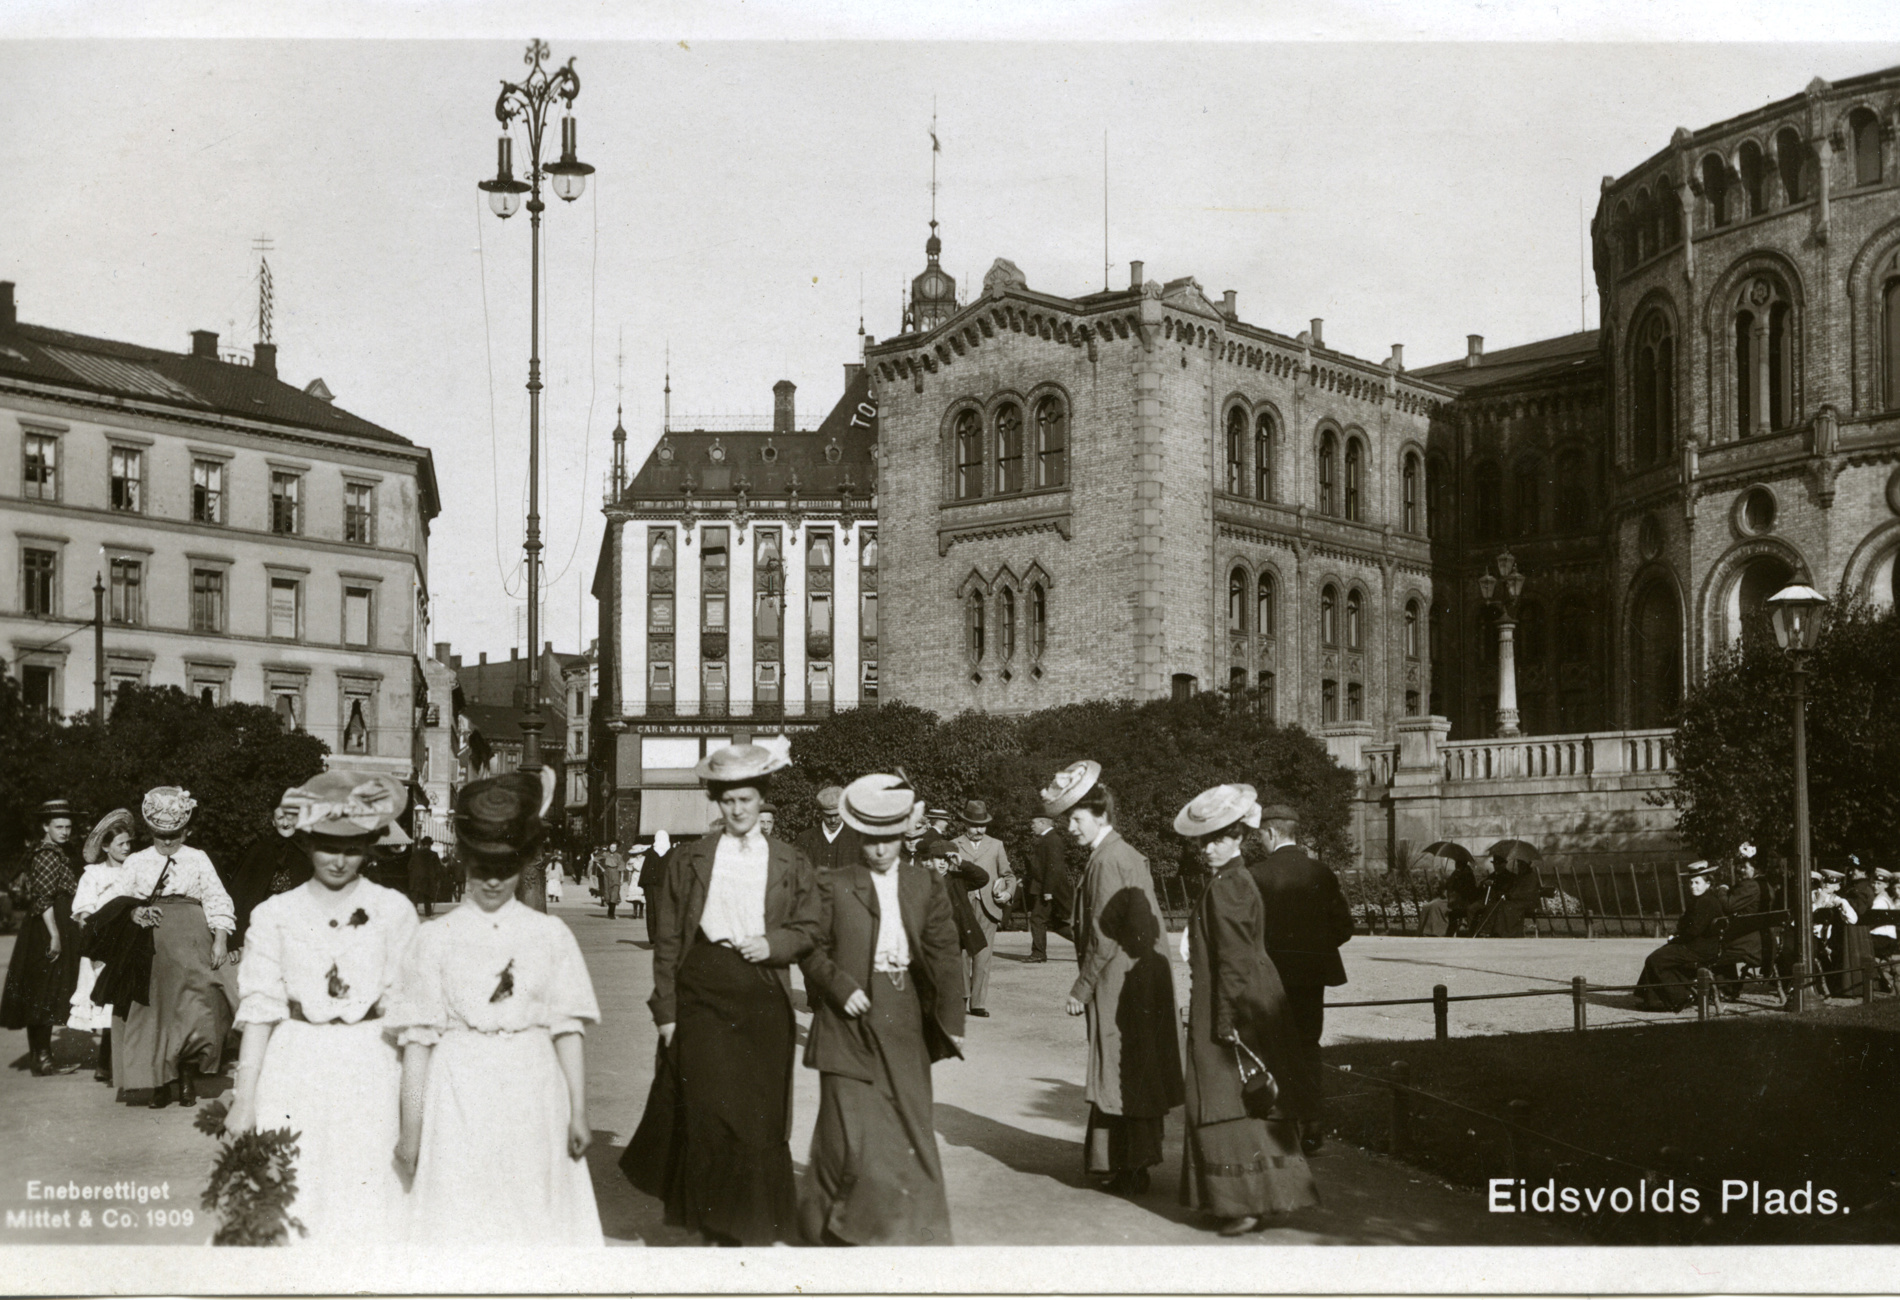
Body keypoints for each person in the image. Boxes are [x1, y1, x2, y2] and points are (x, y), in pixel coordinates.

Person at [391, 771, 601, 1245]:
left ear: (525, 863)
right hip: (459, 1088)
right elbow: (418, 1044)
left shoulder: (549, 936)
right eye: (481, 864)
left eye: (504, 867)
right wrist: (412, 1131)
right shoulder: (434, 938)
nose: (491, 879)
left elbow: (567, 1029)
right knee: (463, 1211)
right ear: (463, 859)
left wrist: (579, 1111)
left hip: (531, 1084)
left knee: (530, 1210)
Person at [636, 743, 822, 1245]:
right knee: (711, 1110)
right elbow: (668, 940)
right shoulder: (689, 859)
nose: (737, 810)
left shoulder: (790, 860)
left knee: (759, 1117)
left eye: (746, 799)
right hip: (703, 991)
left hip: (763, 993)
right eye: (727, 801)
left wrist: (774, 943)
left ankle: (755, 1222)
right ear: (716, 802)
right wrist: (667, 1012)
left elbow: (810, 928)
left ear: (763, 799)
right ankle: (716, 1223)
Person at [223, 772, 418, 1243]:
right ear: (307, 842)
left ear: (370, 846)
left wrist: (415, 1111)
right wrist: (244, 1100)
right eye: (328, 845)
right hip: (297, 1063)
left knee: (367, 1188)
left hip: (370, 1062)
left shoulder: (394, 910)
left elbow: (410, 1015)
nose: (339, 859)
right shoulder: (275, 913)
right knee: (296, 1187)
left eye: (352, 847)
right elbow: (260, 1009)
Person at [798, 773, 965, 1245]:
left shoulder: (925, 885)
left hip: (903, 1017)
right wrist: (838, 986)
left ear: (902, 835)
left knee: (910, 1125)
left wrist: (952, 1023)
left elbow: (945, 956)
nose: (879, 850)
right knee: (845, 1131)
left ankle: (919, 1232)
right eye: (870, 839)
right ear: (860, 836)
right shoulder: (832, 883)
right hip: (846, 1020)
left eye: (888, 839)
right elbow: (809, 946)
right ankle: (829, 1226)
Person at [1174, 785, 1320, 1234]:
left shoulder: (1231, 886)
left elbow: (1234, 962)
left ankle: (1242, 1201)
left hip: (1236, 1003)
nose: (1210, 847)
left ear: (1239, 836)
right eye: (1205, 840)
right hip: (1243, 998)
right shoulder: (1230, 880)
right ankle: (1248, 1196)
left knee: (1225, 1101)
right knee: (1242, 1100)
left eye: (1220, 838)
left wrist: (1225, 1021)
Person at [1043, 760, 1184, 1195]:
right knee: (1133, 1070)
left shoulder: (1108, 860)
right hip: (1134, 985)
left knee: (1120, 1071)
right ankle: (1127, 1163)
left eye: (1077, 818)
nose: (1071, 827)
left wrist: (1079, 989)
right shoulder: (1117, 853)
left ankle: (1129, 1167)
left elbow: (1104, 936)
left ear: (1100, 816)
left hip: (1121, 985)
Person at [107, 788, 236, 1108]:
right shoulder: (137, 861)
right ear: (151, 832)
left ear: (186, 830)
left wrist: (220, 938)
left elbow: (217, 898)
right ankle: (159, 1083)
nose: (167, 841)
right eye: (160, 834)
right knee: (154, 1012)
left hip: (193, 941)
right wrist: (136, 912)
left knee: (195, 1009)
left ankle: (188, 1077)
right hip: (149, 944)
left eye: (174, 834)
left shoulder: (198, 858)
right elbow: (119, 901)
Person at [1244, 801, 1353, 1154]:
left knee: (1271, 1047)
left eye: (1260, 834)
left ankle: (1280, 1125)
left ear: (1272, 832)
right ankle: (1311, 1125)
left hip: (1270, 977)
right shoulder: (1320, 873)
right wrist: (1313, 950)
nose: (1259, 840)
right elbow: (1344, 927)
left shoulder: (1256, 874)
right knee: (1307, 1047)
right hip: (1310, 977)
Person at [1, 799, 82, 1077]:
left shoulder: (53, 851)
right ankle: (43, 1059)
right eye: (58, 826)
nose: (64, 831)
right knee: (47, 988)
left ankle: (41, 1058)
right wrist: (55, 935)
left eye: (68, 826)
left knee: (40, 989)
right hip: (49, 924)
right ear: (45, 826)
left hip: (48, 924)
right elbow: (43, 899)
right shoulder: (48, 854)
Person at [69, 808, 137, 1084]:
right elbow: (84, 913)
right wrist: (99, 938)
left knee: (125, 1002)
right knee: (106, 1001)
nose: (126, 848)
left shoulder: (135, 870)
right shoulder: (93, 874)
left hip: (130, 943)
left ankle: (119, 1063)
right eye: (120, 844)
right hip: (103, 946)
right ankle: (106, 1063)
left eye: (128, 843)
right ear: (106, 847)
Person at [1635, 862, 1725, 1012]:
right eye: (1690, 882)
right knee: (1660, 955)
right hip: (1698, 946)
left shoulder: (1706, 902)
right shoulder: (1701, 900)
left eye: (1697, 882)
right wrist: (1679, 935)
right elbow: (1686, 925)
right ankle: (1653, 1000)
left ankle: (1680, 997)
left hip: (1698, 949)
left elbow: (1693, 930)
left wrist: (1675, 939)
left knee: (1655, 959)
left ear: (1708, 884)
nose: (1693, 886)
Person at [953, 801, 1012, 1018]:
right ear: (965, 824)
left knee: (983, 955)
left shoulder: (996, 845)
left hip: (989, 907)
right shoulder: (953, 844)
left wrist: (1007, 892)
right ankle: (961, 998)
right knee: (960, 954)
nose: (980, 830)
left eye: (983, 825)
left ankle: (977, 1003)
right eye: (975, 825)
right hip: (961, 907)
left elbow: (1008, 875)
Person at [222, 801, 308, 950]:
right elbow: (240, 895)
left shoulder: (309, 853)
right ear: (273, 822)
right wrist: (235, 942)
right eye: (280, 818)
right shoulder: (259, 851)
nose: (286, 823)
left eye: (290, 818)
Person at [1024, 813, 1073, 962]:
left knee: (1037, 919)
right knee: (1057, 923)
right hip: (1046, 888)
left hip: (1048, 889)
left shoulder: (1052, 840)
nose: (1031, 827)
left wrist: (1048, 891)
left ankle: (1038, 954)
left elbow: (1054, 868)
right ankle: (1090, 944)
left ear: (1042, 822)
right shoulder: (1048, 839)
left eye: (1033, 824)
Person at [794, 786, 861, 874]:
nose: (833, 821)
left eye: (837, 815)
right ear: (820, 813)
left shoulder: (857, 838)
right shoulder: (805, 839)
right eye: (828, 816)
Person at [1419, 858, 1480, 937]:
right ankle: (1423, 931)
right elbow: (1448, 886)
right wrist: (1444, 882)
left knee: (1435, 906)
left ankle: (1435, 932)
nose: (1456, 865)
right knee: (1427, 906)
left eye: (1458, 863)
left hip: (1459, 901)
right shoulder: (1456, 873)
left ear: (1463, 864)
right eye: (1456, 863)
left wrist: (1454, 886)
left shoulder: (1468, 874)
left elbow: (1467, 891)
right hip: (1449, 897)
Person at [407, 835, 446, 917]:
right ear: (430, 844)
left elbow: (409, 866)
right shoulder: (434, 854)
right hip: (428, 880)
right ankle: (428, 914)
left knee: (415, 898)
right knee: (427, 897)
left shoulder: (415, 853)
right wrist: (438, 879)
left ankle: (413, 914)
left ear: (422, 844)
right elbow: (438, 869)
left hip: (416, 879)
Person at [598, 842, 624, 919]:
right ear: (609, 847)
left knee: (615, 891)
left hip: (615, 873)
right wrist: (602, 868)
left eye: (614, 847)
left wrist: (622, 878)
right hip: (607, 873)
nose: (612, 848)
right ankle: (609, 913)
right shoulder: (605, 854)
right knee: (607, 891)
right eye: (611, 847)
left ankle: (612, 913)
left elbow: (621, 867)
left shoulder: (619, 856)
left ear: (616, 848)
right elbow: (595, 859)